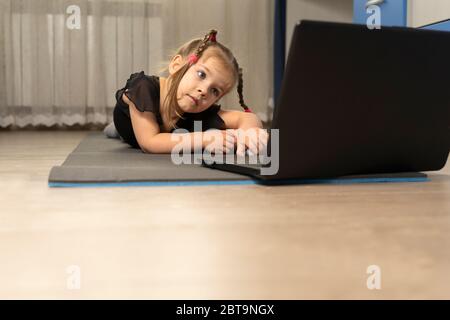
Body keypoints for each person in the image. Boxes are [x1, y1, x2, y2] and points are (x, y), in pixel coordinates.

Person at [106, 29, 268, 156]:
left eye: (215, 91)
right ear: (176, 65)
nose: (204, 91)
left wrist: (250, 133)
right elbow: (149, 143)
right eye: (201, 74)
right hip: (130, 125)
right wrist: (205, 139)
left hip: (173, 126)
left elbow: (248, 117)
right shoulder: (143, 88)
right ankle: (113, 128)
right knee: (119, 131)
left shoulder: (197, 105)